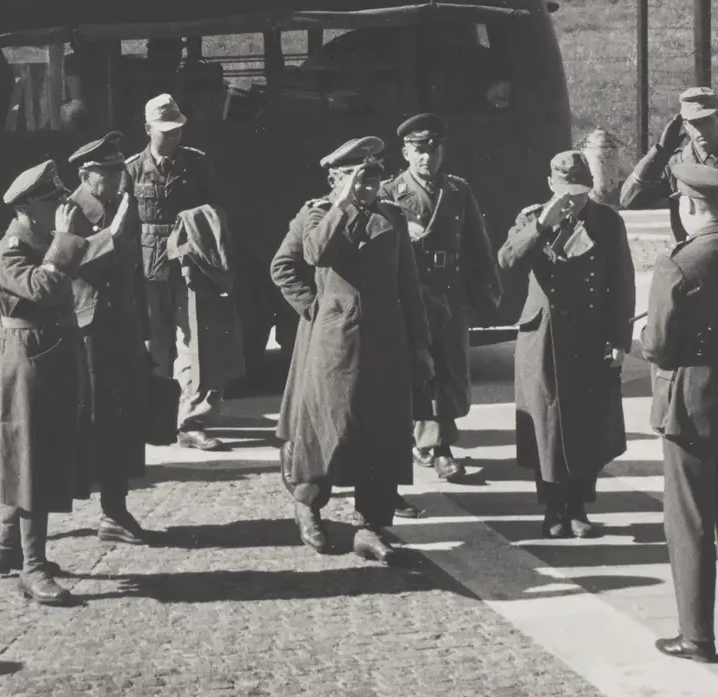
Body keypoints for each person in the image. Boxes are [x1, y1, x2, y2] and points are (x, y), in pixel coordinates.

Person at [272, 136, 434, 562]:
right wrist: (315, 310)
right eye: (356, 177)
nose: (367, 185)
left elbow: (408, 286)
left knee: (383, 431)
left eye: (373, 175)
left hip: (387, 342)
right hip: (334, 344)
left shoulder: (391, 218)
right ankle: (307, 504)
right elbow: (300, 259)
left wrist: (420, 345)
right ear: (334, 179)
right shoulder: (317, 214)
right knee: (328, 428)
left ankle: (373, 524)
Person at [0, 159, 123, 606]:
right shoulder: (10, 251)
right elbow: (45, 287)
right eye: (51, 201)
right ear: (26, 207)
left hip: (48, 359)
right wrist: (64, 240)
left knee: (31, 455)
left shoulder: (40, 241)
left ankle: (8, 548)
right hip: (24, 364)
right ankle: (33, 567)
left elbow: (79, 262)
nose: (62, 206)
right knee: (31, 461)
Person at [499, 151, 635, 538]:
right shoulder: (532, 218)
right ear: (550, 186)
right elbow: (507, 260)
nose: (572, 200)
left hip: (590, 334)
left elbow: (622, 283)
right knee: (547, 423)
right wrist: (543, 225)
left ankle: (578, 507)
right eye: (565, 191)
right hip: (542, 335)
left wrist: (618, 340)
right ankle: (552, 507)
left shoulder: (606, 221)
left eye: (579, 191)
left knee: (586, 420)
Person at [378, 113, 501, 487]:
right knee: (421, 368)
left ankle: (431, 443)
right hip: (411, 293)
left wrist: (488, 292)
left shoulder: (458, 190)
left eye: (433, 150)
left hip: (449, 292)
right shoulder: (389, 192)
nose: (426, 158)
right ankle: (439, 447)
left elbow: (477, 243)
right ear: (405, 152)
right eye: (418, 150)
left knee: (451, 369)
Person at [640, 164, 718, 663]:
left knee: (689, 522)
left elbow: (659, 346)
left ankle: (696, 635)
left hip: (692, 406)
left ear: (690, 206)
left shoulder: (683, 262)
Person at [125, 93, 232, 451]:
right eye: (164, 131)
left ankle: (191, 421)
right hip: (147, 267)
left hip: (189, 264)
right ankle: (155, 417)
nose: (172, 138)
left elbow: (217, 208)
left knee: (194, 341)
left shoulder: (197, 164)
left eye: (177, 131)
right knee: (152, 344)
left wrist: (193, 228)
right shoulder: (131, 169)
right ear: (147, 129)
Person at [67, 131, 150, 546]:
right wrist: (110, 235)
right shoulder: (71, 210)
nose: (118, 177)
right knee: (92, 420)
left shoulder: (123, 204)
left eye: (119, 169)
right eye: (108, 171)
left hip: (122, 326)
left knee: (122, 419)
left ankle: (115, 512)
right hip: (88, 330)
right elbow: (69, 259)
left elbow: (133, 268)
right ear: (86, 173)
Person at [620, 86, 718, 241]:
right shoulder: (676, 163)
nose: (700, 130)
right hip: (692, 255)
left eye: (706, 121)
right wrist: (660, 153)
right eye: (694, 123)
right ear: (685, 125)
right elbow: (629, 200)